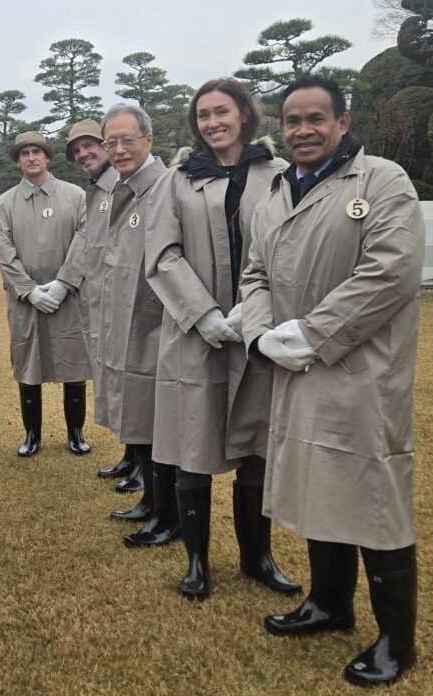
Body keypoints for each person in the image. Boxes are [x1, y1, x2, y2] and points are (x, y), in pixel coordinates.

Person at [242, 74, 424, 687]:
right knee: (318, 485)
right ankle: (330, 604)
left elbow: (391, 272)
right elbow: (255, 275)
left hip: (358, 368)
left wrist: (311, 335)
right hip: (294, 364)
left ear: (343, 123)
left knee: (375, 497)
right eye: (292, 121)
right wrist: (264, 333)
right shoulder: (274, 193)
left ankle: (398, 641)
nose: (302, 131)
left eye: (316, 118)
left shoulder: (382, 181)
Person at [145, 78, 300, 599]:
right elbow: (162, 255)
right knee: (194, 445)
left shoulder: (280, 175)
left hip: (258, 330)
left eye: (222, 112)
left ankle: (257, 556)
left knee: (255, 445)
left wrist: (251, 311)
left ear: (244, 115)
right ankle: (196, 561)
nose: (212, 122)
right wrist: (206, 314)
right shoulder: (177, 179)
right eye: (203, 115)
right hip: (195, 332)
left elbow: (292, 253)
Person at [88, 104, 178, 541]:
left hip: (155, 324)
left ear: (148, 139)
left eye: (127, 139)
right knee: (138, 417)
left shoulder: (165, 187)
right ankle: (150, 501)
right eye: (111, 142)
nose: (119, 149)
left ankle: (170, 514)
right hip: (121, 321)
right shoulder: (118, 189)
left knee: (159, 423)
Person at [0, 131, 91, 456]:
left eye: (37, 152)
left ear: (47, 157)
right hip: (26, 303)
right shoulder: (4, 204)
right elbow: (4, 252)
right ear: (18, 161)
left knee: (74, 366)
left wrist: (64, 283)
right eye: (24, 153)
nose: (31, 158)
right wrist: (29, 292)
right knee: (28, 366)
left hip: (69, 297)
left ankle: (75, 433)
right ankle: (32, 435)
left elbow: (86, 239)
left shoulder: (75, 196)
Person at [65, 119, 143, 494]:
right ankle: (131, 454)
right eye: (76, 150)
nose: (83, 154)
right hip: (100, 301)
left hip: (125, 302)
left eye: (89, 145)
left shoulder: (123, 185)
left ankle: (144, 463)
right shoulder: (96, 190)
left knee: (132, 383)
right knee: (115, 381)